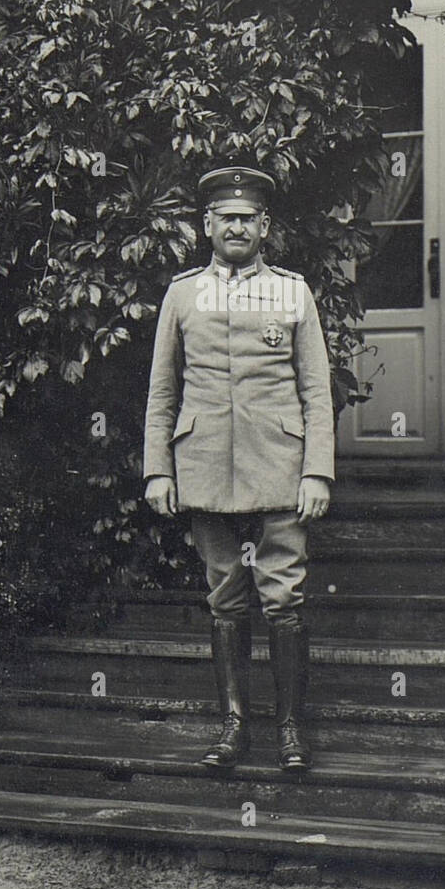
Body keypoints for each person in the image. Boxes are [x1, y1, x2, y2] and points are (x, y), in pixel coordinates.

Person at [143, 165, 336, 772]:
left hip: (280, 465)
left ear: (264, 226)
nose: (235, 226)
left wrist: (317, 472)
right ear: (207, 226)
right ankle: (233, 727)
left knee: (283, 599)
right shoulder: (181, 294)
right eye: (225, 218)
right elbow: (162, 390)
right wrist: (158, 470)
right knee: (225, 597)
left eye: (246, 218)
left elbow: (316, 391)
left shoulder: (292, 292)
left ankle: (290, 730)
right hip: (203, 466)